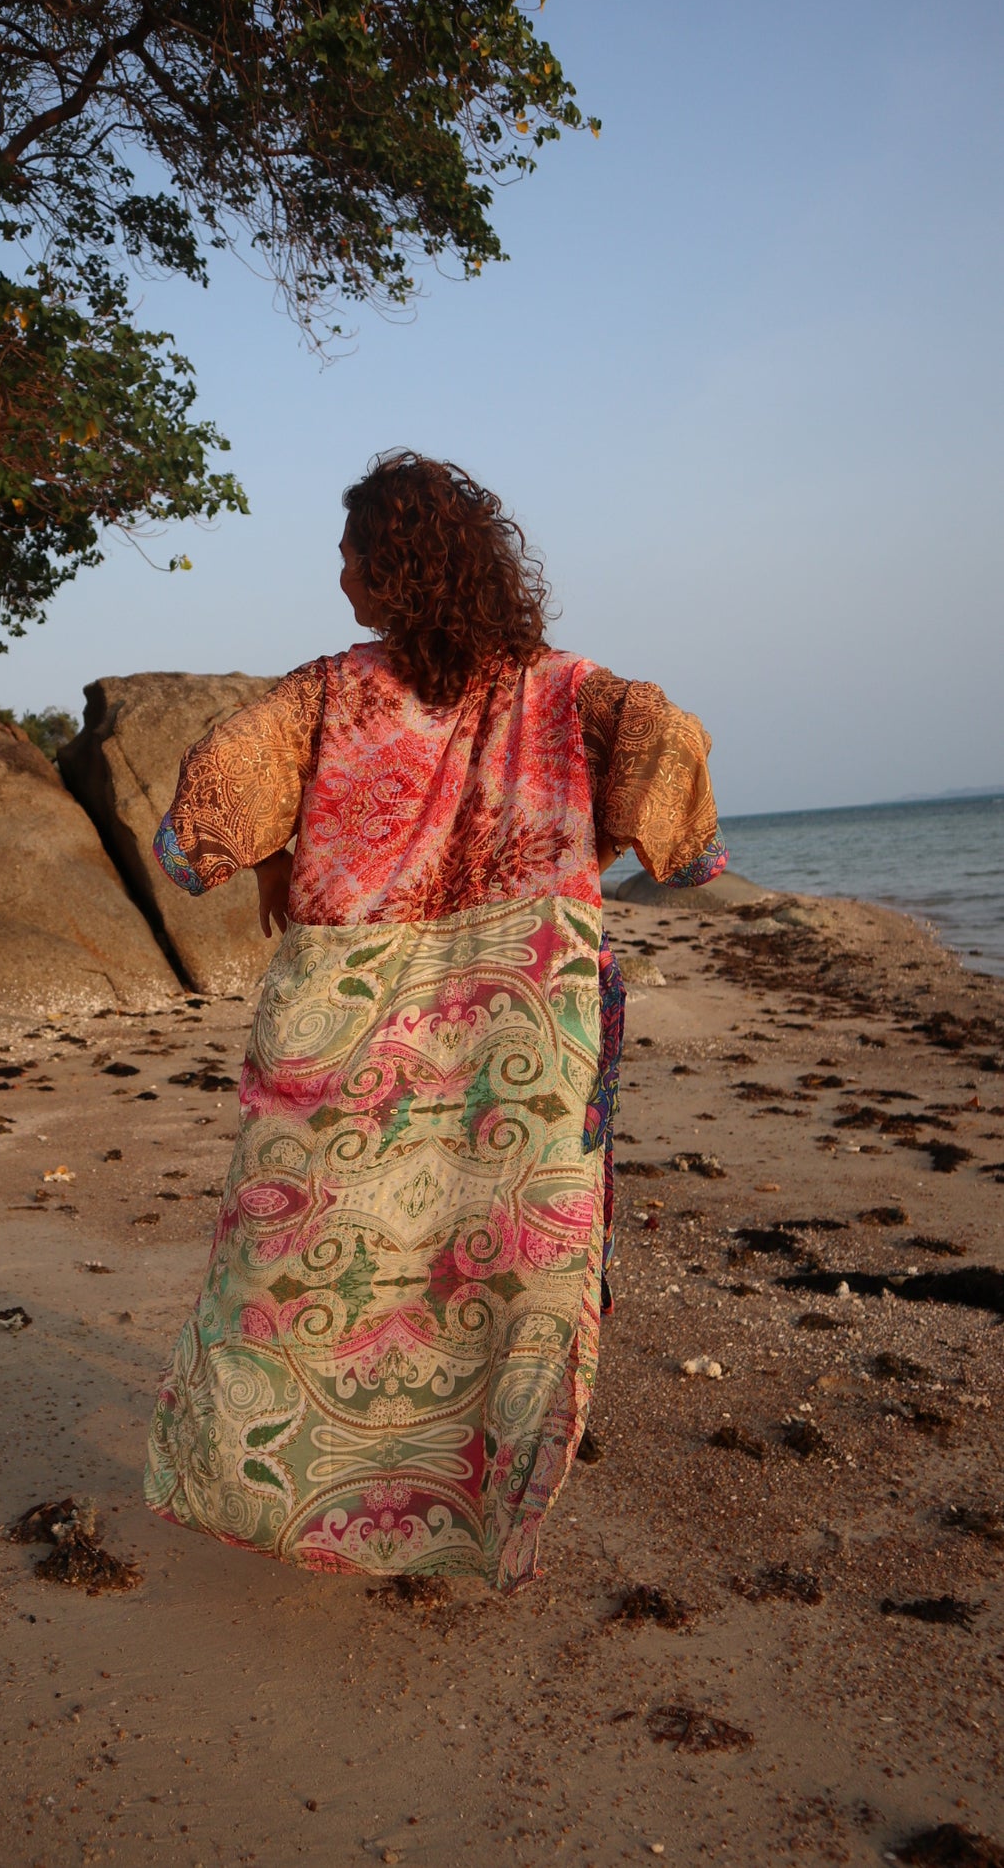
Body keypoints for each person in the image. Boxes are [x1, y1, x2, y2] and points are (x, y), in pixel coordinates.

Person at [143, 452, 726, 1592]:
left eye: (354, 554)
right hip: (518, 1011)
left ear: (399, 567)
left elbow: (214, 779)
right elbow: (660, 738)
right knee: (500, 1265)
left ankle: (286, 1487)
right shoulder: (562, 688)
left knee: (304, 1262)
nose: (342, 575)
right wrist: (668, 847)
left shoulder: (327, 692)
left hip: (347, 1012)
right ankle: (462, 1508)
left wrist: (254, 848)